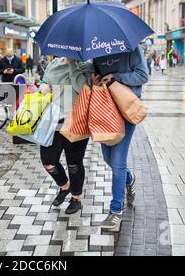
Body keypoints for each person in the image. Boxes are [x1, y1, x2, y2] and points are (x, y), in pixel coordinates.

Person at [94, 45, 149, 232]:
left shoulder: (131, 48)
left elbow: (143, 75)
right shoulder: (97, 50)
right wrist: (95, 79)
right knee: (108, 159)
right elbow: (97, 75)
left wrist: (117, 77)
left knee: (117, 161)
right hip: (105, 111)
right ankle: (129, 179)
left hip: (126, 110)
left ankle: (115, 210)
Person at [39, 57, 92, 214]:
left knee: (74, 164)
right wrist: (43, 86)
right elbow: (43, 81)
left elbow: (82, 88)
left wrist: (72, 64)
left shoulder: (87, 65)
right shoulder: (53, 64)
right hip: (53, 119)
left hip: (77, 119)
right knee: (48, 161)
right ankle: (64, 186)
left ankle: (76, 198)